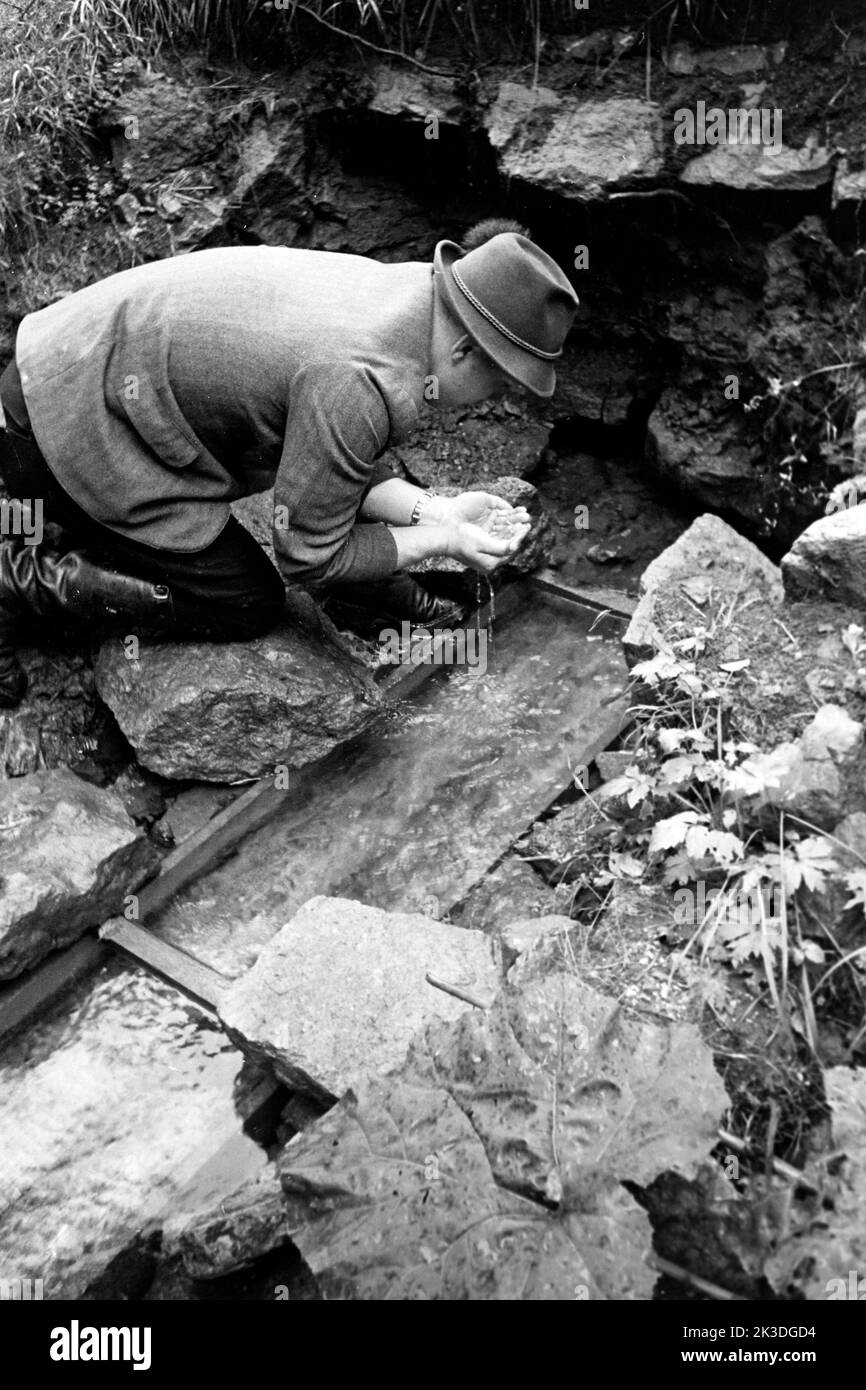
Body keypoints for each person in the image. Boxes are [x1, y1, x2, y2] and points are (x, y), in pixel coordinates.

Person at [0, 220, 579, 707]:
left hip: (71, 360)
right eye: (501, 380)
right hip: (63, 420)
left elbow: (334, 458)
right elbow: (309, 558)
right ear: (463, 350)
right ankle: (17, 575)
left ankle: (56, 521)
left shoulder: (406, 295)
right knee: (243, 601)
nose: (496, 399)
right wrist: (437, 543)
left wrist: (437, 509)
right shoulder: (361, 377)